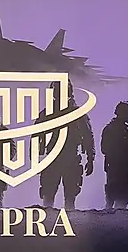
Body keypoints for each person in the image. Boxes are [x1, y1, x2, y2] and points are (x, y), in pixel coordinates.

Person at [36, 80, 95, 210]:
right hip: (53, 159)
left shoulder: (77, 113)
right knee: (48, 198)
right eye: (57, 91)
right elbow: (36, 137)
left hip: (70, 158)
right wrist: (35, 161)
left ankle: (68, 220)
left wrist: (91, 158)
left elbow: (88, 136)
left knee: (69, 198)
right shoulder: (47, 114)